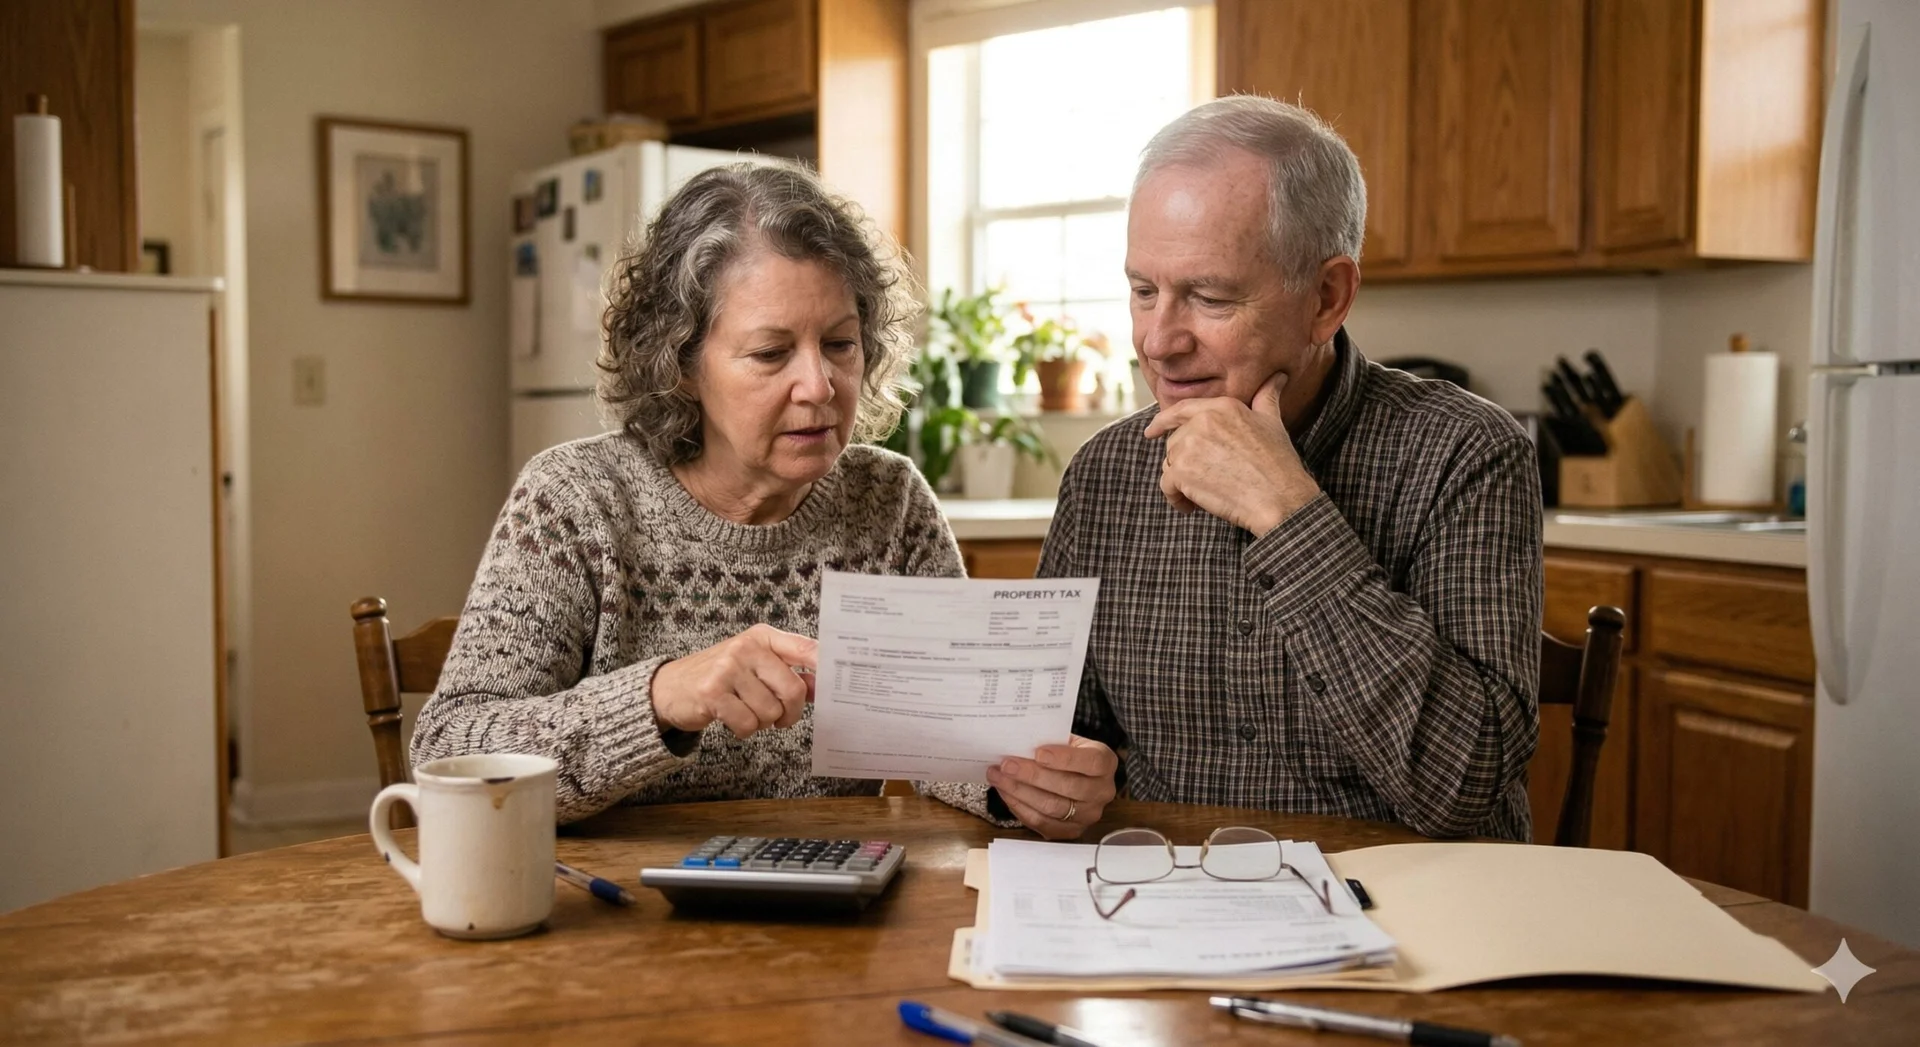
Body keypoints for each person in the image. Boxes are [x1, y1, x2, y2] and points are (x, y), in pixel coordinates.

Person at [411, 163, 1118, 835]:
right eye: (771, 353)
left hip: (828, 912)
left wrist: (1019, 779)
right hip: (611, 919)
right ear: (681, 363)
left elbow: (943, 740)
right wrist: (660, 697)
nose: (819, 384)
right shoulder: (574, 501)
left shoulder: (889, 500)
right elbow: (449, 748)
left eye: (840, 343)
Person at [1041, 96, 1542, 841]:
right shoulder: (1103, 474)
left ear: (1327, 298)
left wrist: (1288, 514)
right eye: (1144, 291)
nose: (1158, 340)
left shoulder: (1467, 452)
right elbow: (1060, 735)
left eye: (1209, 297)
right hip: (1166, 906)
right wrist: (1040, 778)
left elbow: (1463, 783)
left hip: (1412, 911)